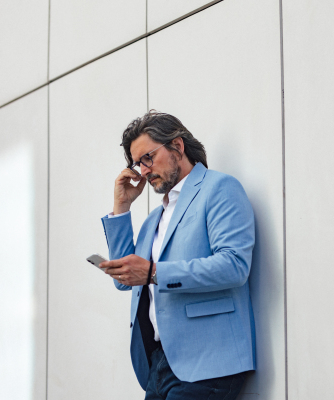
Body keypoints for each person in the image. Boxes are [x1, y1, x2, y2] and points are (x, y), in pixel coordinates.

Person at [99, 111, 256, 400]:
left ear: (178, 147)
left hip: (207, 362)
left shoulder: (219, 188)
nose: (143, 170)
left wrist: (153, 273)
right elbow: (124, 281)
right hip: (159, 363)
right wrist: (121, 207)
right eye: (137, 164)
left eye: (148, 157)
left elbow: (234, 265)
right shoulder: (154, 219)